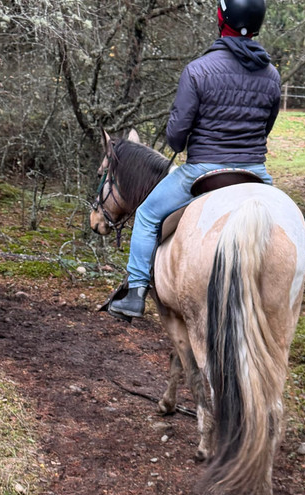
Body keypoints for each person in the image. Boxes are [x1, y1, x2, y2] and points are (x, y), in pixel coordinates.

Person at [108, 0, 280, 320]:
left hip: (204, 171)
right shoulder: (271, 75)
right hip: (255, 172)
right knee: (289, 215)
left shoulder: (198, 70)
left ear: (221, 18)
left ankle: (135, 294)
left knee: (146, 216)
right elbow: (266, 128)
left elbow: (176, 137)